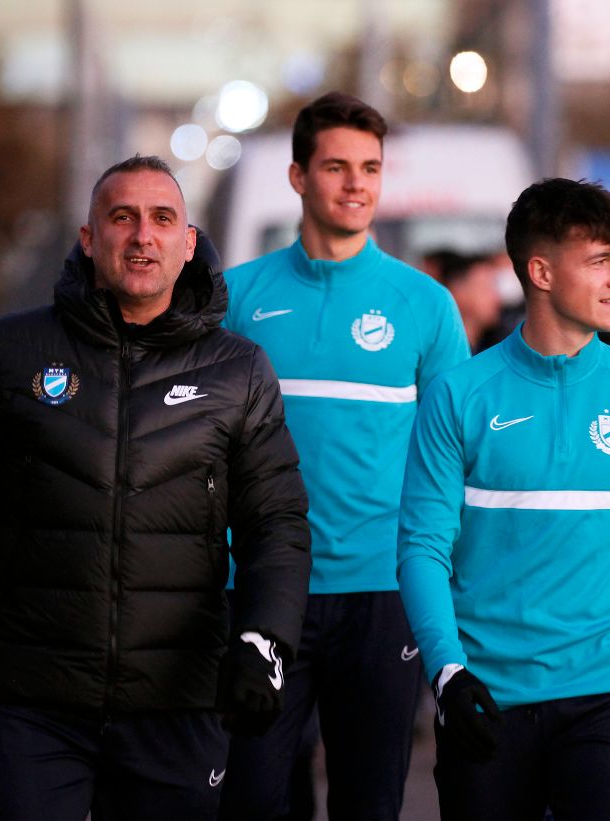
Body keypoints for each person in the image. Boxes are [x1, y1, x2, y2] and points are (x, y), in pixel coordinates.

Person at [0, 155, 312, 819]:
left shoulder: (238, 371)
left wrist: (263, 639)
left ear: (187, 242)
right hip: (36, 700)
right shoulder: (8, 353)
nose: (142, 235)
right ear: (88, 237)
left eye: (162, 219)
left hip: (177, 701)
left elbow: (275, 521)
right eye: (122, 217)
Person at [397, 178, 610, 820]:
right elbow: (422, 549)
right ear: (541, 272)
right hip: (489, 694)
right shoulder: (459, 395)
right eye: (600, 261)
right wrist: (447, 670)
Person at [219, 92, 468, 819]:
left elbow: (453, 458)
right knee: (252, 800)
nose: (356, 183)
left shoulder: (425, 305)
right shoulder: (238, 297)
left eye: (370, 168)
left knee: (369, 802)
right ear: (298, 176)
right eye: (336, 166)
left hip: (381, 592)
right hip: (262, 589)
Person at [422, 247, 506, 352]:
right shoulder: (436, 351)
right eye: (485, 289)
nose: (495, 297)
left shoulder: (498, 347)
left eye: (494, 288)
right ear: (457, 291)